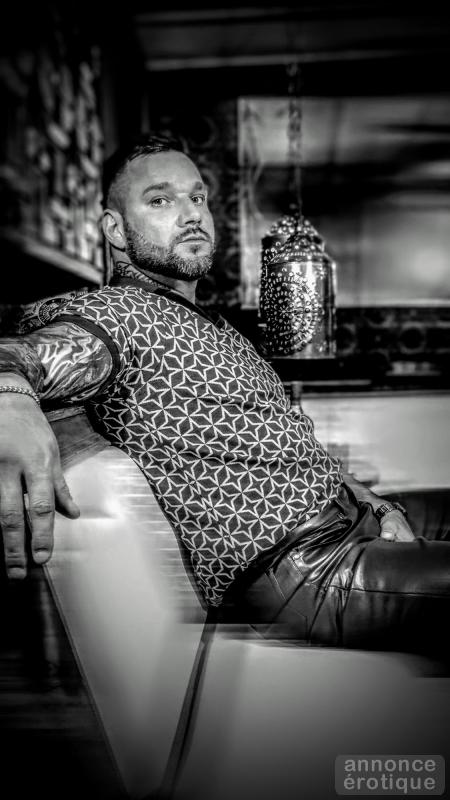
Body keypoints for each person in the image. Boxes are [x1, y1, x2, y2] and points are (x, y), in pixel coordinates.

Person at [0, 134, 449, 659]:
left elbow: (300, 455)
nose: (192, 214)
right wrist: (9, 401)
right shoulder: (117, 315)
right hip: (307, 569)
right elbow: (24, 355)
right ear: (116, 230)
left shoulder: (210, 325)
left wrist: (376, 504)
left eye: (198, 197)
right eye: (160, 200)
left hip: (347, 520)